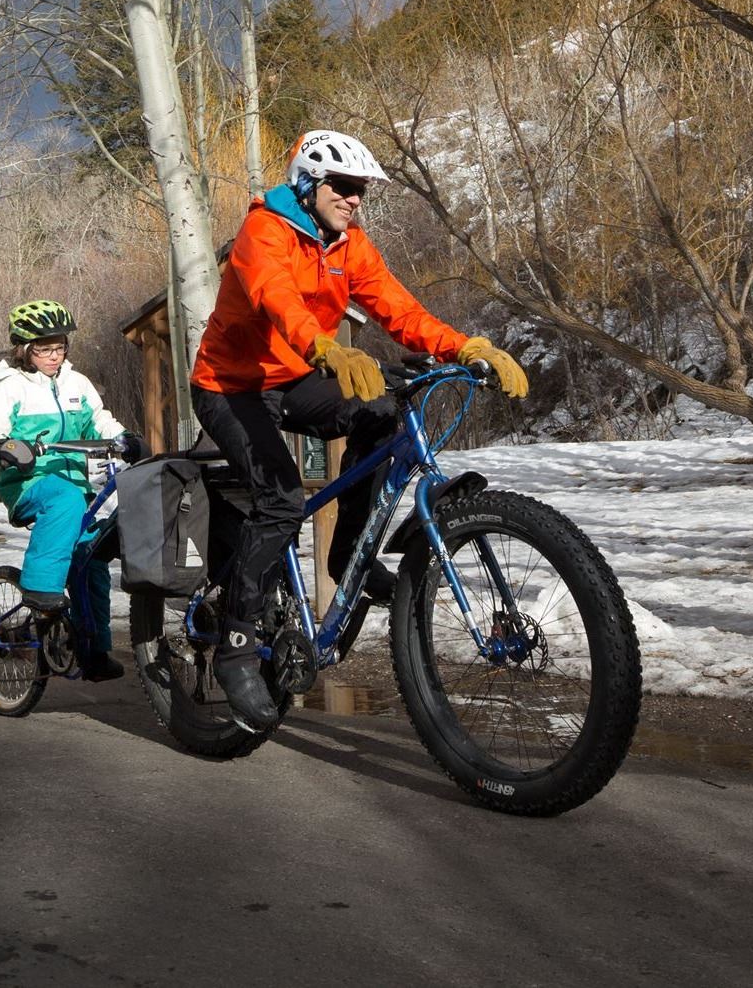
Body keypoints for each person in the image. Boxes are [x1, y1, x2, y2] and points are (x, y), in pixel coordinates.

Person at [190, 129, 528, 729]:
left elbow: (399, 309)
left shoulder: (350, 246)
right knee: (282, 501)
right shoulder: (262, 230)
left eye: (361, 190)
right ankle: (236, 646)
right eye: (344, 187)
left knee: (382, 411)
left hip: (294, 375)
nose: (355, 199)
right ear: (310, 184)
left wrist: (465, 346)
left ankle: (347, 553)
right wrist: (322, 344)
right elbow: (273, 296)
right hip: (230, 385)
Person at [0, 299, 145, 682]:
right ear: (24, 350)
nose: (53, 356)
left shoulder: (76, 383)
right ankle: (40, 587)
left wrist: (124, 438)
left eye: (59, 347)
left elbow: (99, 419)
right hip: (29, 484)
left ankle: (93, 649)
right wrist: (5, 447)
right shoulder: (10, 386)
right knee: (63, 497)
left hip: (77, 484)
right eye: (44, 349)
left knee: (92, 558)